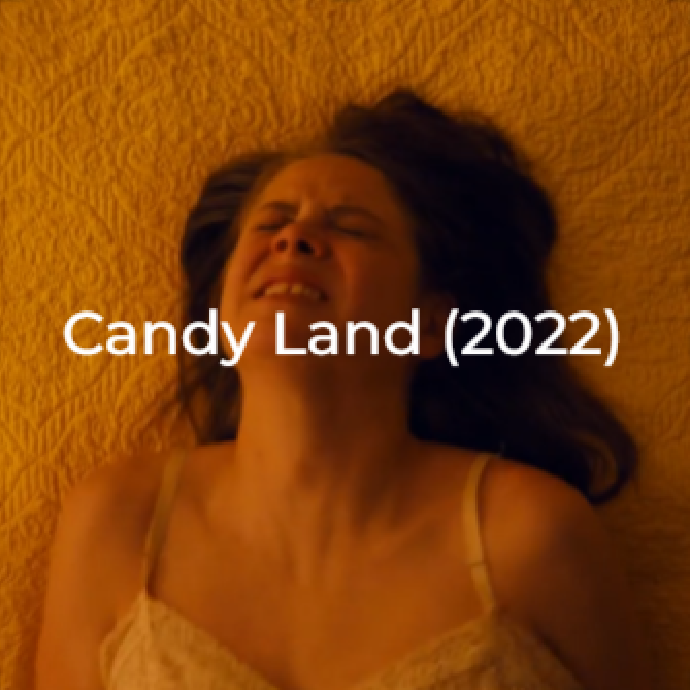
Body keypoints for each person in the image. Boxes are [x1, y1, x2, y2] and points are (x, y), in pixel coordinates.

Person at [35, 88, 654, 690]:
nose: (293, 237)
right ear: (219, 314)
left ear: (430, 325)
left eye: (352, 227)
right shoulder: (120, 523)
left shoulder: (530, 537)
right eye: (272, 221)